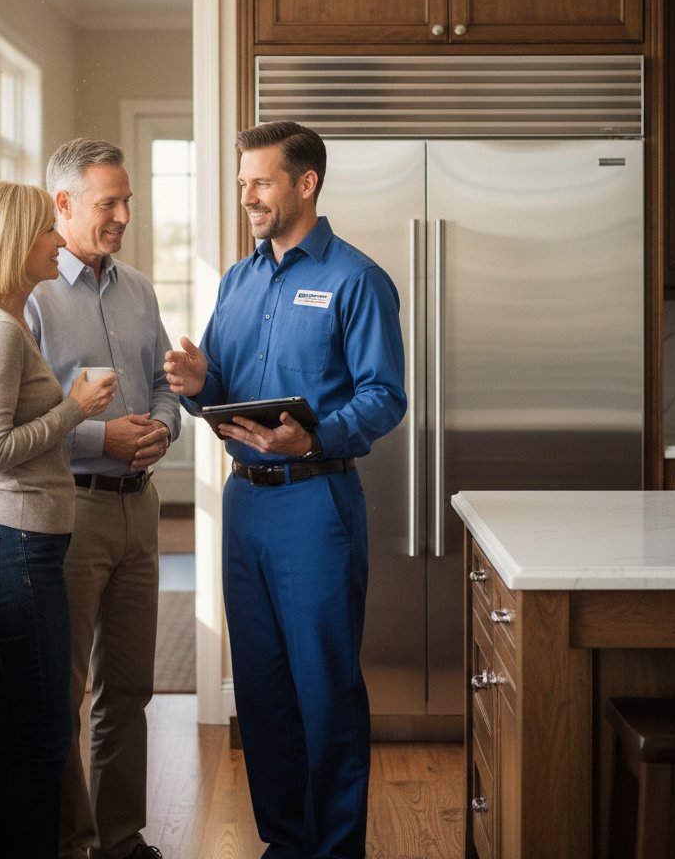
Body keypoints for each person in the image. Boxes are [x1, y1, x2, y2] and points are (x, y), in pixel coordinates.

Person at [164, 120, 406, 859]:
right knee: (264, 693)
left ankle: (334, 851)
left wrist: (317, 434)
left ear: (306, 184)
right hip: (246, 506)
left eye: (260, 182)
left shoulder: (356, 279)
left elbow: (385, 395)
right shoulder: (237, 282)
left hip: (316, 506)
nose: (248, 197)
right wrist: (198, 387)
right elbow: (228, 396)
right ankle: (285, 843)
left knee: (324, 690)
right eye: (242, 184)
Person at [25, 138, 181, 859]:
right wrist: (100, 441)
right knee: (65, 691)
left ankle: (121, 840)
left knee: (130, 688)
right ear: (63, 204)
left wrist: (163, 428)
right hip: (71, 507)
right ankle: (71, 842)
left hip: (140, 507)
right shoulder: (27, 294)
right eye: (106, 203)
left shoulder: (139, 288)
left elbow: (158, 385)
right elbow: (16, 426)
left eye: (127, 202)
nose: (122, 216)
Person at [0, 180, 117, 859]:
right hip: (15, 545)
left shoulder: (6, 319)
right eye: (49, 232)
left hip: (22, 545)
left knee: (23, 727)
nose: (59, 241)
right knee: (44, 732)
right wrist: (75, 407)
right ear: (17, 244)